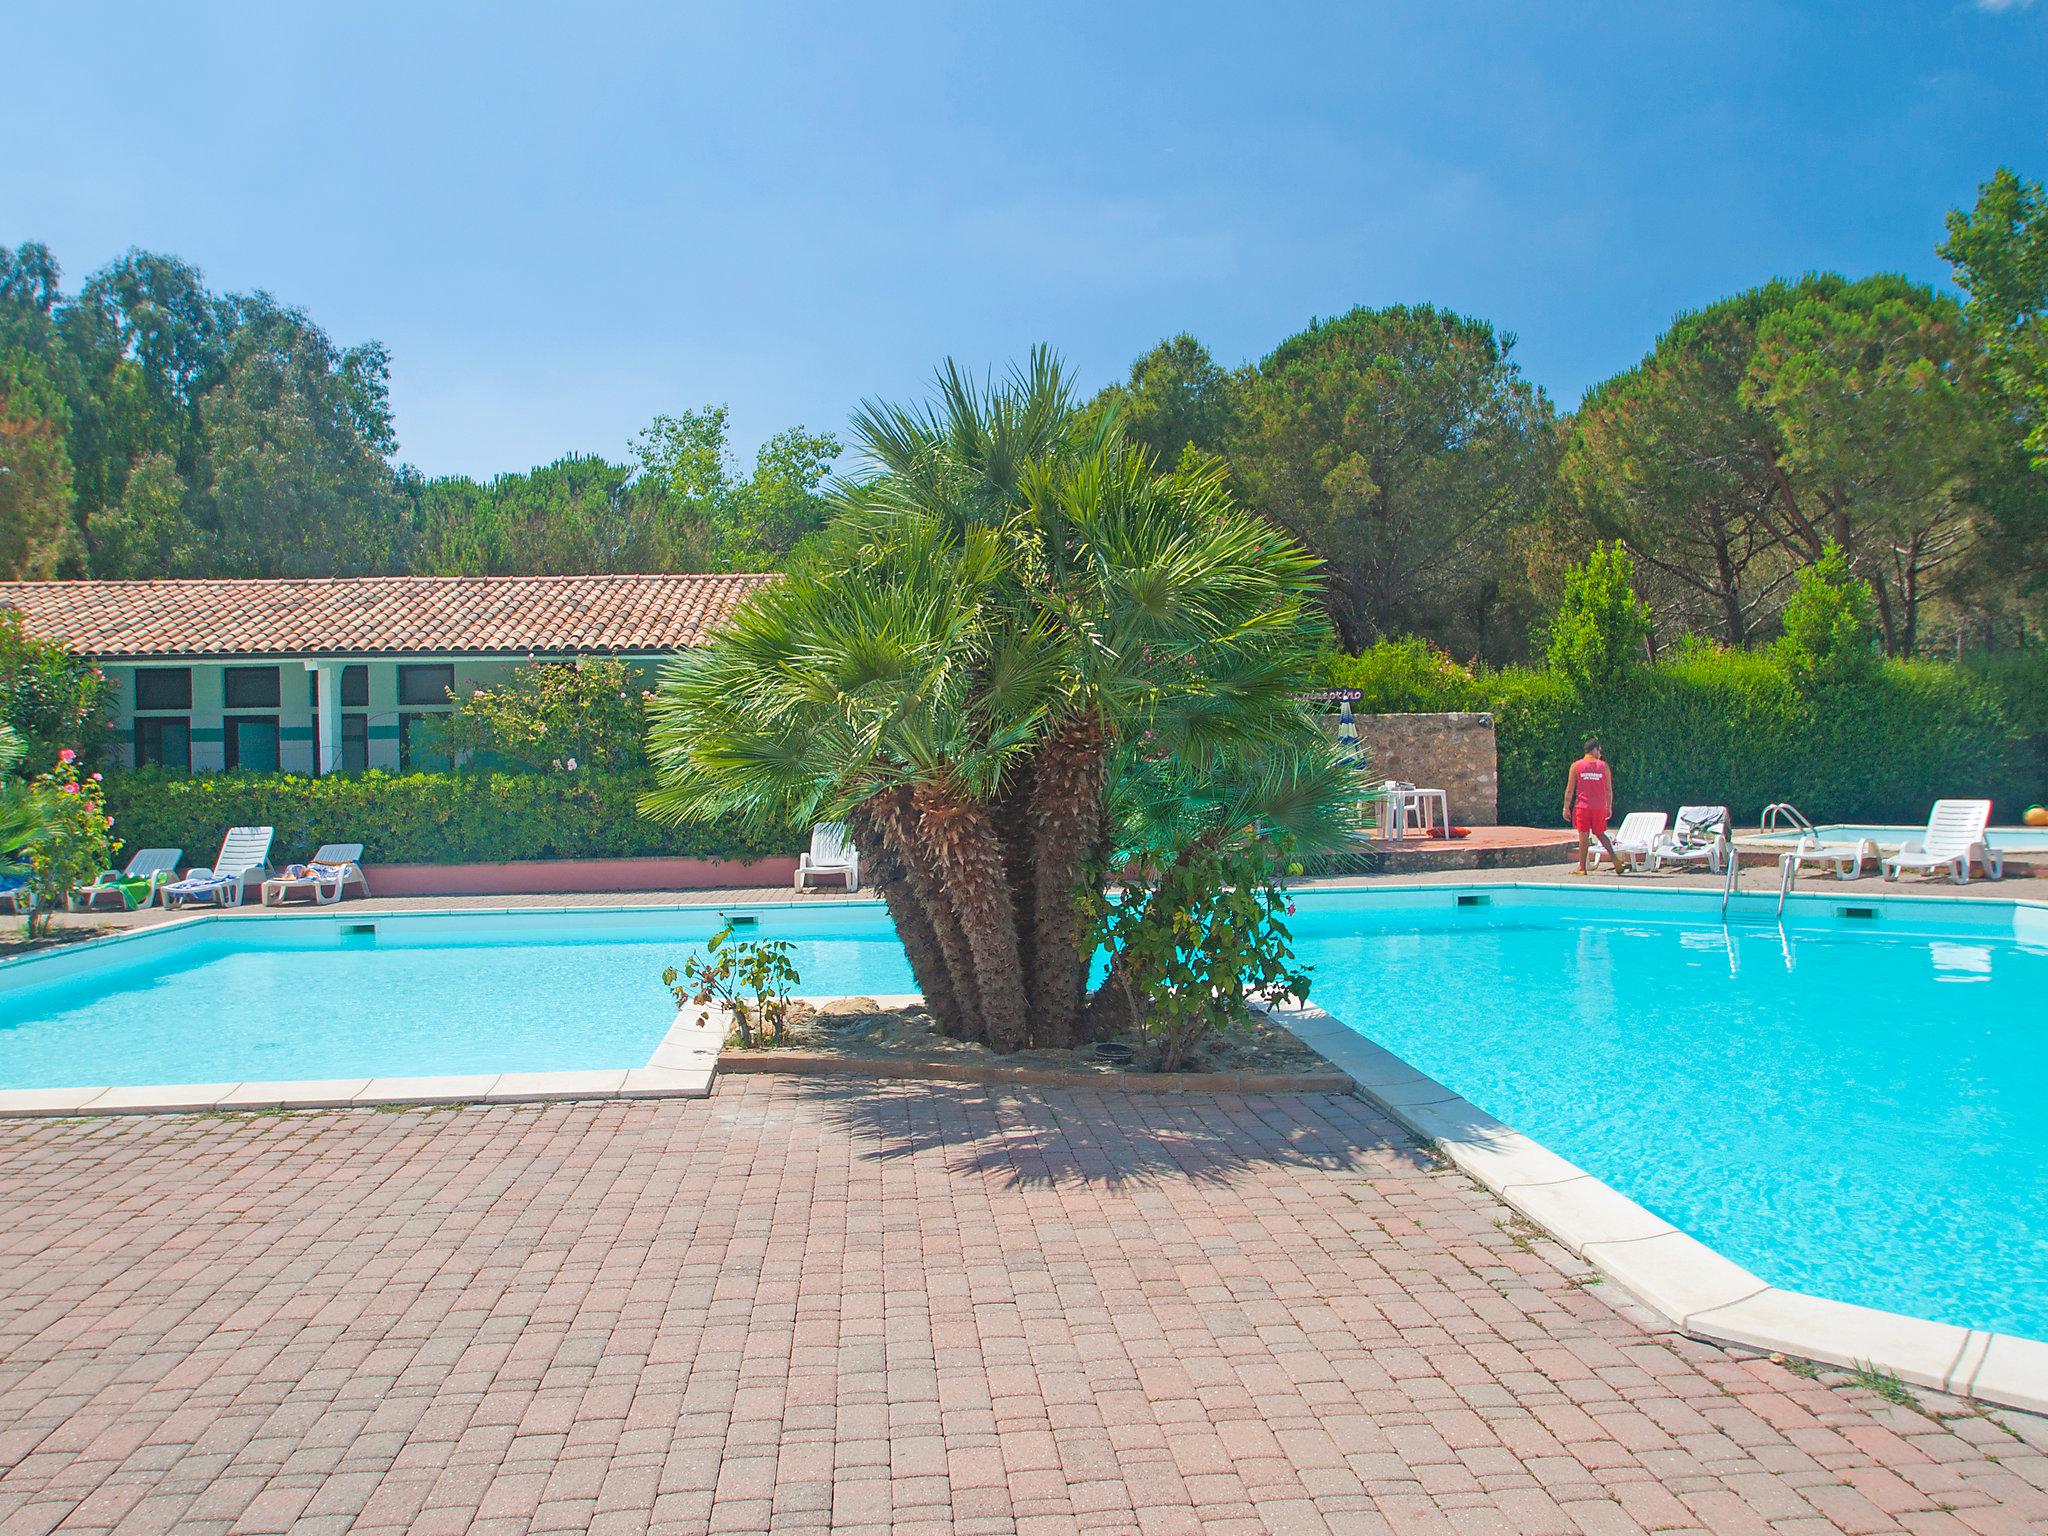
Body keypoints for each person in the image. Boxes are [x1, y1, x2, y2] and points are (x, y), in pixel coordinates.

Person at [1563, 737, 1623, 876]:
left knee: (1583, 835)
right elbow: (1609, 790)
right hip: (1599, 806)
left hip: (1582, 806)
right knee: (1600, 833)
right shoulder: (1603, 766)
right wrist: (1609, 806)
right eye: (1600, 750)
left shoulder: (1576, 766)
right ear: (1594, 749)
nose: (1600, 753)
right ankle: (1615, 860)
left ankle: (1582, 868)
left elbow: (1570, 789)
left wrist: (1566, 807)